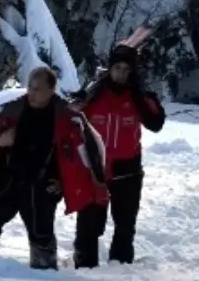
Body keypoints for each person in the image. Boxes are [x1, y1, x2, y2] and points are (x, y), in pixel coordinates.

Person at [0, 66, 108, 270]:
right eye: (30, 87)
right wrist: (1, 141)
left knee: (41, 234)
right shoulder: (12, 110)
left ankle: (44, 275)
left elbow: (86, 156)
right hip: (10, 178)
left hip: (42, 185)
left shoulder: (67, 118)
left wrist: (62, 183)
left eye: (37, 88)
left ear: (51, 90)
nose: (31, 92)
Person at [71, 43, 166, 268]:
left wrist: (142, 94)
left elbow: (156, 123)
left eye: (126, 70)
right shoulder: (94, 93)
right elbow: (70, 115)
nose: (121, 74)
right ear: (110, 68)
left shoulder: (137, 96)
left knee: (125, 224)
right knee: (89, 222)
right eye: (118, 68)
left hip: (128, 170)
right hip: (95, 169)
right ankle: (84, 267)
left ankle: (121, 269)